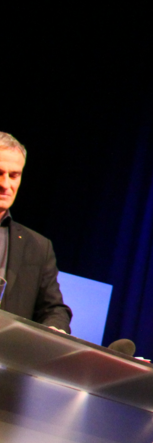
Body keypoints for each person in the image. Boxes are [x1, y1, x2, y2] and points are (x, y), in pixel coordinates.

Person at [0, 132, 72, 332]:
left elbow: (54, 309)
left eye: (14, 175)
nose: (6, 184)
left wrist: (53, 329)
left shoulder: (38, 246)